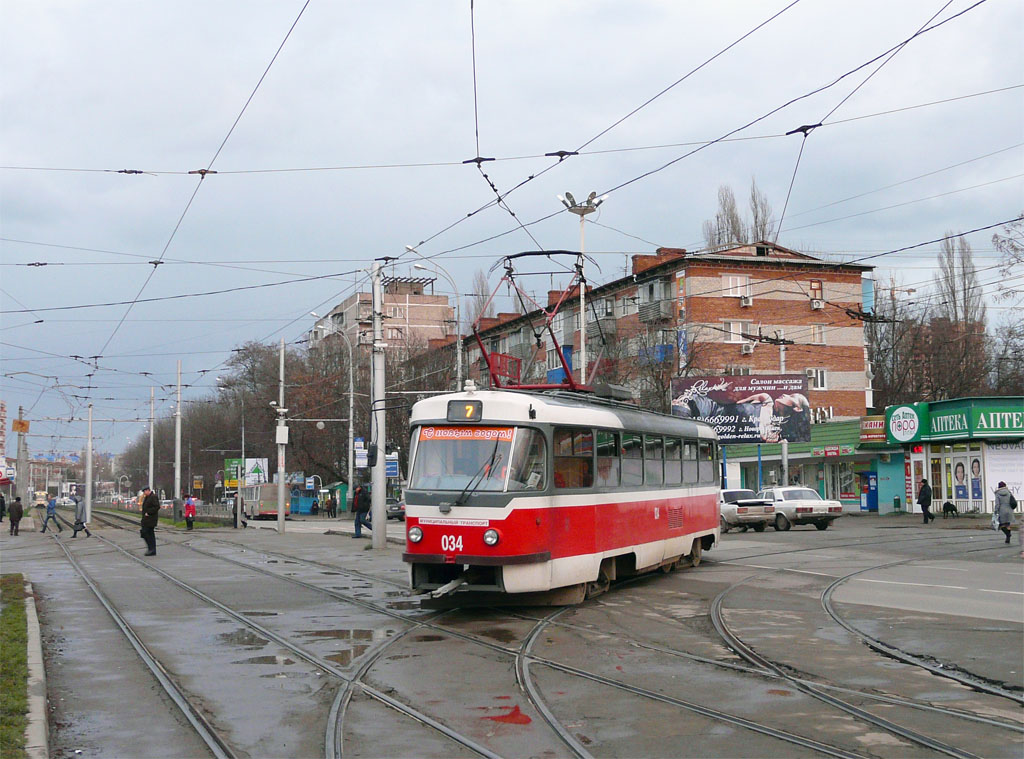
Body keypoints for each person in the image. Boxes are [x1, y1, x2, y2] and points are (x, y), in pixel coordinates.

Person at [140, 486, 160, 556]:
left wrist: (148, 512)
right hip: (146, 519)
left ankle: (151, 549)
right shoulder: (147, 497)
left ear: (148, 490)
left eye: (145, 491)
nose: (144, 493)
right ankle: (151, 549)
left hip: (151, 519)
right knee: (148, 533)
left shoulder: (153, 497)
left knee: (146, 533)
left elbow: (157, 506)